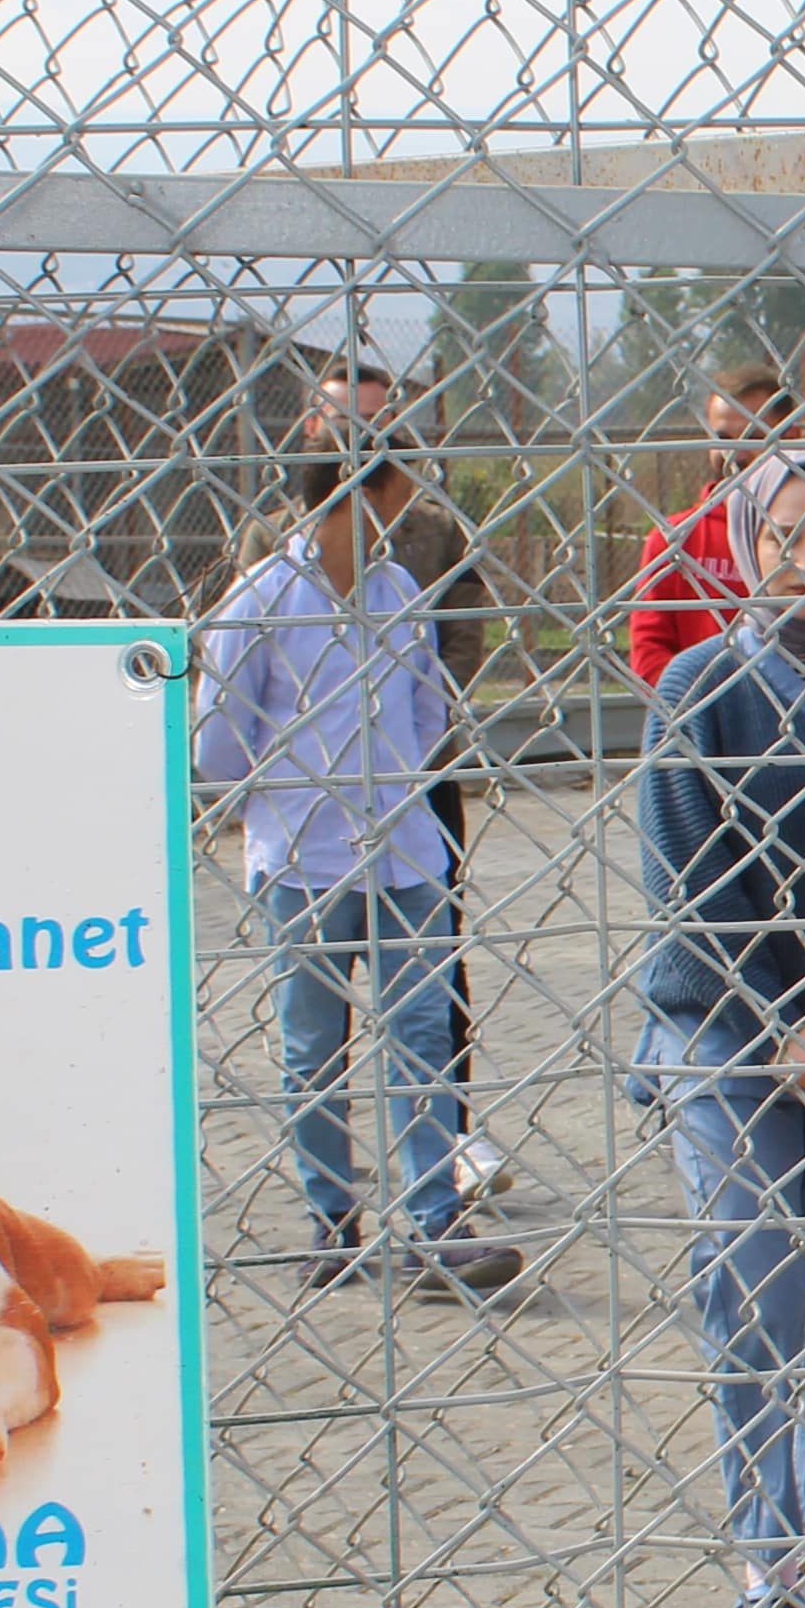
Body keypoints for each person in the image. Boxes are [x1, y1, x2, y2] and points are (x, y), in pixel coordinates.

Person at [633, 451, 805, 1608]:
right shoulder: (702, 684)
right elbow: (688, 874)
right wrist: (782, 1019)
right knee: (758, 1286)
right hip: (727, 1023)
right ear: (745, 546)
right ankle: (765, 1570)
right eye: (790, 536)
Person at [198, 432, 526, 1300]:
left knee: (422, 1034)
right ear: (352, 495)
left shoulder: (399, 592)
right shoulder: (260, 600)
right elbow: (219, 740)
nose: (409, 511)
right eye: (397, 493)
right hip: (303, 860)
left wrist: (403, 784)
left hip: (406, 853)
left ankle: (435, 1223)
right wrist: (277, 804)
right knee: (314, 1050)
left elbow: (425, 705)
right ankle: (332, 1220)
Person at [306, 366, 511, 1212]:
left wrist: (424, 730)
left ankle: (449, 1136)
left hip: (418, 780)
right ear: (311, 429)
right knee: (316, 998)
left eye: (376, 423)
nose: (361, 438)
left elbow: (462, 630)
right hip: (314, 802)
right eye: (341, 422)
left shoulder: (428, 532)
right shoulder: (273, 540)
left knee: (431, 969)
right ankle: (328, 1170)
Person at [626, 362, 795, 688]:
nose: (735, 453)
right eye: (723, 437)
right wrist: (703, 705)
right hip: (697, 709)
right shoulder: (675, 540)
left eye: (753, 437)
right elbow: (648, 652)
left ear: (791, 438)